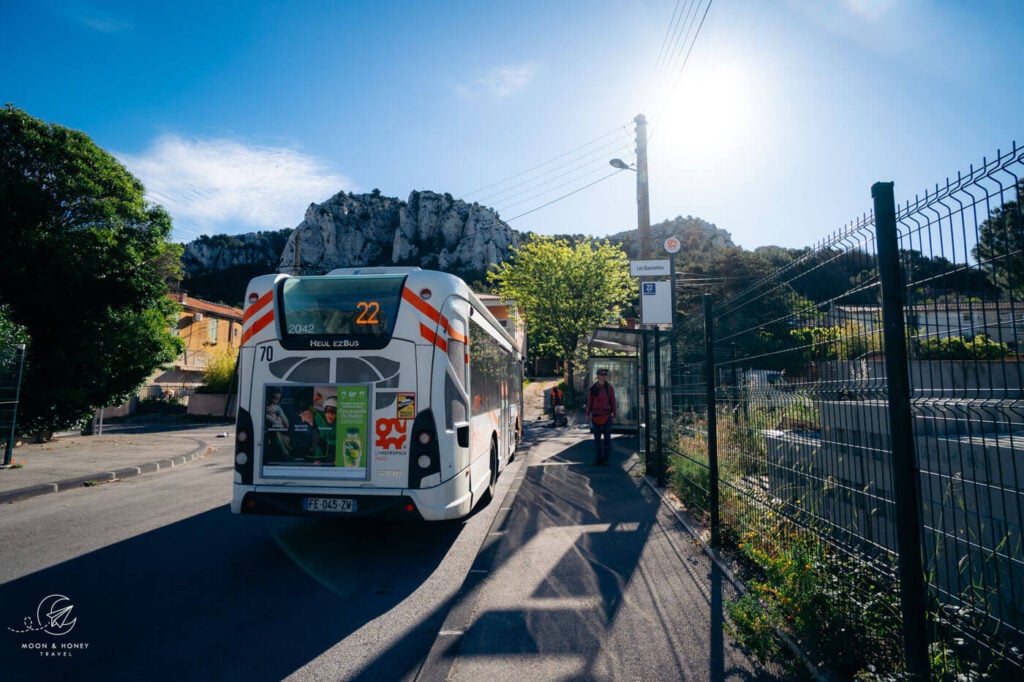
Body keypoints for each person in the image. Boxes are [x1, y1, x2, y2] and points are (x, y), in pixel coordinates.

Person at [586, 368, 617, 465]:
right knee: (597, 440)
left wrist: (615, 415)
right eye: (602, 374)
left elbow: (613, 402)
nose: (604, 376)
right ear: (598, 376)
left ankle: (606, 460)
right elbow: (589, 402)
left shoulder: (609, 388)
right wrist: (587, 414)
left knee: (607, 439)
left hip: (607, 415)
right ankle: (599, 459)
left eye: (605, 374)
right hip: (596, 416)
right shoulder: (593, 388)